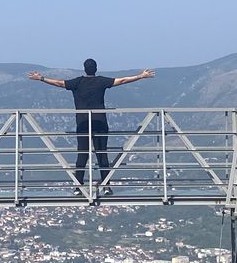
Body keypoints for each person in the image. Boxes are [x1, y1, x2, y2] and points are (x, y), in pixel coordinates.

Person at [28, 59, 155, 196]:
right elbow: (122, 81)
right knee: (102, 155)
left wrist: (41, 78)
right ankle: (106, 186)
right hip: (100, 123)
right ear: (96, 68)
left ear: (84, 69)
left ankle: (78, 187)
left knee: (82, 155)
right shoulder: (101, 81)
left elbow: (59, 83)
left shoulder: (77, 82)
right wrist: (141, 76)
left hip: (83, 124)